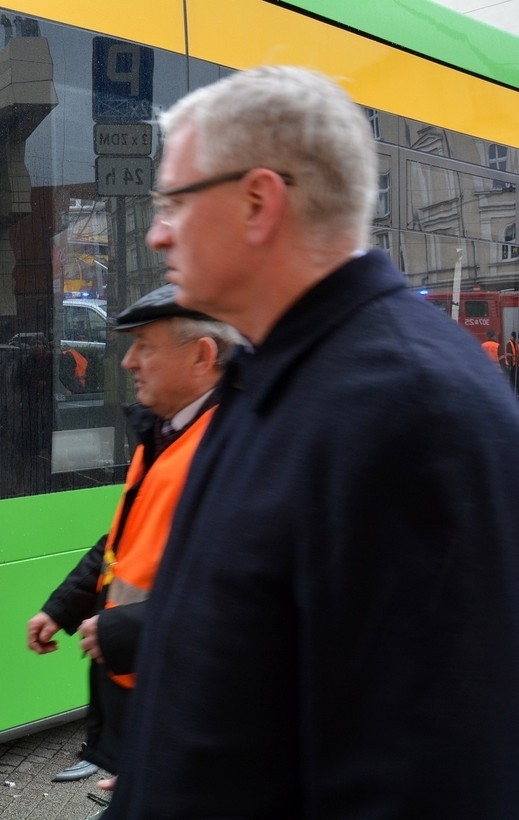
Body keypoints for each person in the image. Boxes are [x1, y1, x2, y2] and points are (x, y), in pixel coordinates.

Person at [110, 65, 519, 818]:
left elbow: (426, 778)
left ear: (258, 201)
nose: (155, 230)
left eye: (172, 200)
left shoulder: (408, 413)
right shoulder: (277, 373)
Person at [26, 284, 241, 790]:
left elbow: (238, 600)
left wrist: (127, 632)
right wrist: (63, 607)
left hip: (182, 710)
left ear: (202, 357)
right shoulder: (167, 433)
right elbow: (123, 545)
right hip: (151, 700)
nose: (127, 362)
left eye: (144, 345)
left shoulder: (228, 449)